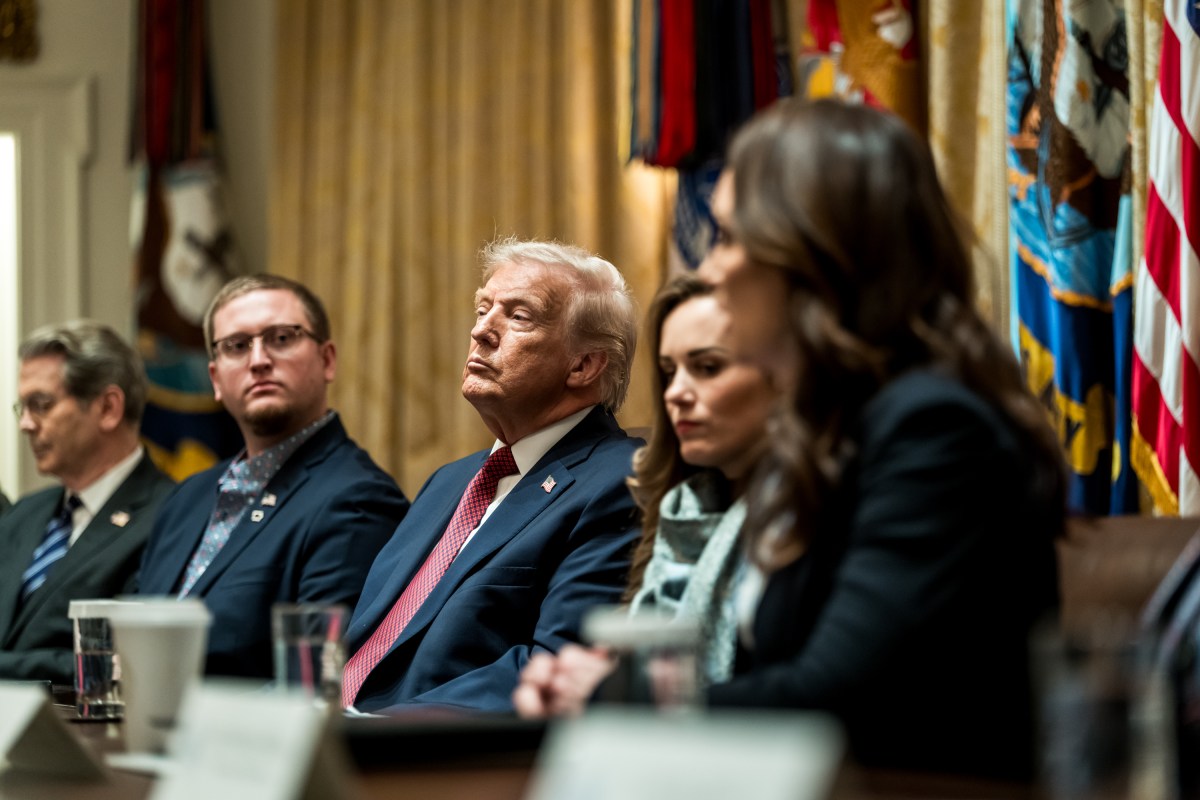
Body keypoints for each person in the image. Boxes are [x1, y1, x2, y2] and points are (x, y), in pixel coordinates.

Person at [525, 99, 1067, 781]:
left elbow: (837, 698)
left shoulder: (932, 428)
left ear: (810, 252)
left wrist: (613, 697)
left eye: (729, 236)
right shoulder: (831, 432)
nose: (711, 268)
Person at [341, 238, 643, 713]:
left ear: (583, 365)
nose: (482, 330)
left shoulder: (620, 480)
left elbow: (556, 668)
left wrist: (377, 729)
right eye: (483, 309)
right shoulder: (448, 482)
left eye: (518, 316)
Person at [513, 275, 778, 714]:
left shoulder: (806, 508)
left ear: (783, 374)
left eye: (708, 367)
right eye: (669, 372)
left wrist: (607, 693)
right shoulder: (678, 508)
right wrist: (568, 681)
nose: (676, 393)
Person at [137, 275, 410, 678]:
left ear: (327, 360)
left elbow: (317, 682)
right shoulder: (186, 497)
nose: (259, 359)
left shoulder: (358, 500)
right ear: (215, 379)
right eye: (236, 346)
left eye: (282, 338)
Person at [0, 321, 174, 683]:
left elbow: (120, 663)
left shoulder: (170, 516)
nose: (26, 424)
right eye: (23, 408)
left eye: (42, 405)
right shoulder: (22, 515)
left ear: (108, 408)